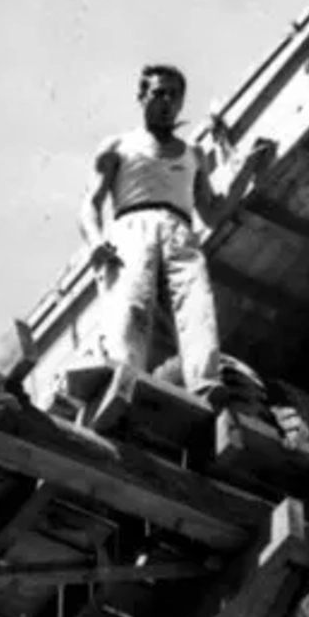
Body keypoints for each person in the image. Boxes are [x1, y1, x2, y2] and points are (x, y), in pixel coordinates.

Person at [78, 64, 272, 404]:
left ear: (181, 103)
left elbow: (212, 211)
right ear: (141, 96)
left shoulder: (192, 154)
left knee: (197, 306)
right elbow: (90, 203)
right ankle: (123, 385)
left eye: (174, 95)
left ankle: (204, 384)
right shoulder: (119, 145)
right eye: (158, 93)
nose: (166, 101)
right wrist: (95, 241)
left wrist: (248, 170)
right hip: (132, 224)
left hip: (180, 228)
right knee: (130, 305)